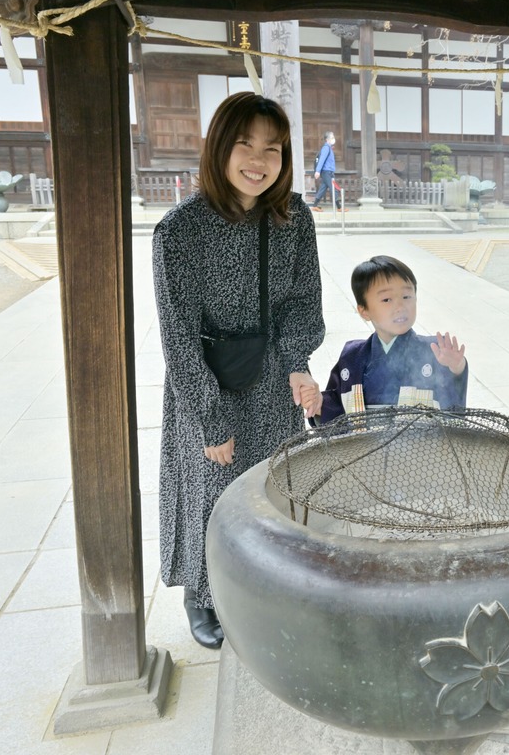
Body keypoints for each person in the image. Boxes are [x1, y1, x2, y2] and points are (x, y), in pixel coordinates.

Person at [152, 92, 325, 649]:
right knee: (212, 488)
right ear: (220, 148)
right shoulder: (179, 230)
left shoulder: (293, 217)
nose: (259, 160)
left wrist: (298, 363)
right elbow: (177, 334)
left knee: (271, 488)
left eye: (272, 148)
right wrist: (209, 416)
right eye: (246, 145)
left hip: (273, 375)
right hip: (209, 378)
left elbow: (303, 299)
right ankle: (202, 595)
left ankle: (263, 587)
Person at [315, 255, 467, 424]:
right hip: (365, 448)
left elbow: (452, 406)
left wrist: (456, 368)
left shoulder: (434, 351)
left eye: (407, 297)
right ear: (364, 310)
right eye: (387, 299)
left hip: (421, 447)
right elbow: (337, 407)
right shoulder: (352, 357)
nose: (400, 307)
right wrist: (319, 405)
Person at [311, 130, 337, 211]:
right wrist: (317, 171)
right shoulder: (326, 148)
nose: (334, 139)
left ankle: (315, 205)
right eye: (332, 137)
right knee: (333, 188)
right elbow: (321, 160)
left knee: (323, 188)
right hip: (326, 172)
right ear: (327, 139)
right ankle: (339, 207)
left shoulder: (329, 148)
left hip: (328, 172)